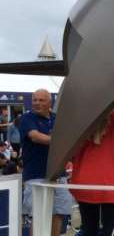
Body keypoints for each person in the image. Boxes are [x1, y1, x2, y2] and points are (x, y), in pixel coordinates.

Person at [70, 111, 114, 236]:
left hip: (84, 184)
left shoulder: (79, 119)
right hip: (111, 186)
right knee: (111, 233)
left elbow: (71, 155)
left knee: (88, 231)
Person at [19, 89, 73, 236]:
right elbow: (35, 137)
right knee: (38, 216)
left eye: (41, 100)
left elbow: (68, 135)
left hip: (58, 174)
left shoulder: (57, 118)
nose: (37, 103)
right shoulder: (26, 118)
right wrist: (58, 140)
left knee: (58, 213)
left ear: (50, 102)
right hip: (36, 175)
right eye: (35, 100)